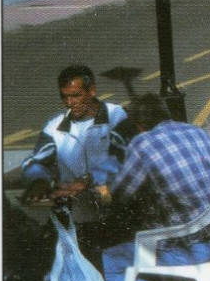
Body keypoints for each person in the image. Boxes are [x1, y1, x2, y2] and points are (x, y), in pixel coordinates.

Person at [99, 95, 210, 281]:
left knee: (105, 265)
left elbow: (122, 194)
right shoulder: (199, 132)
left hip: (190, 250)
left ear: (138, 124)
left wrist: (104, 188)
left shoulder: (142, 143)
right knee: (153, 225)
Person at [20, 64, 132, 236]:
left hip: (117, 209)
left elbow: (124, 158)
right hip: (79, 215)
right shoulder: (54, 128)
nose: (70, 103)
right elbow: (36, 161)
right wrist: (38, 179)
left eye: (76, 96)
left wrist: (89, 180)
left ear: (92, 91)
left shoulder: (117, 116)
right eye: (64, 97)